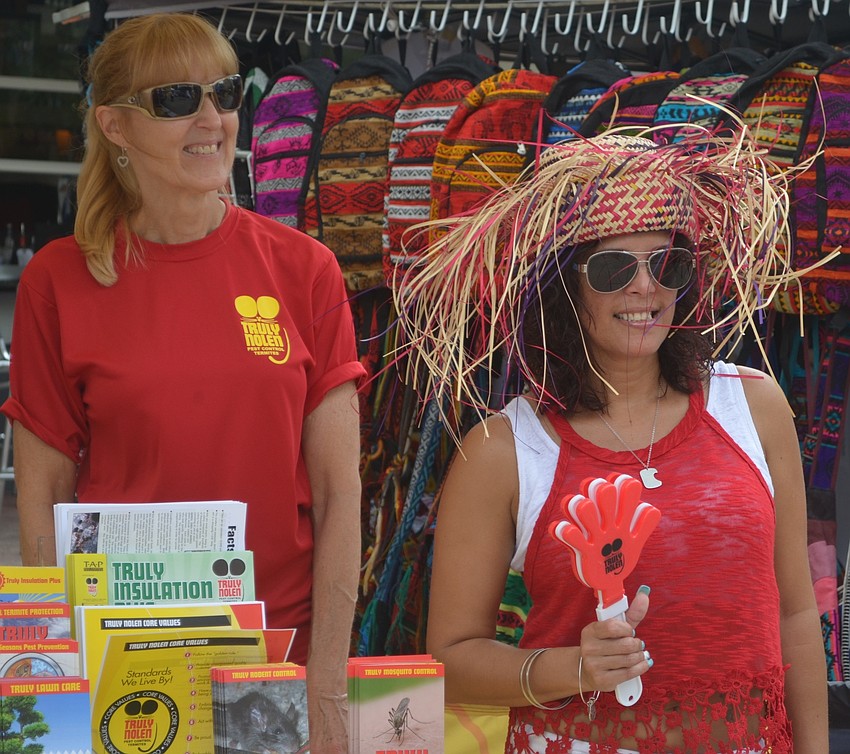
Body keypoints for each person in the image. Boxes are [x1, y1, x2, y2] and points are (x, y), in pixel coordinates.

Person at [390, 129, 829, 753]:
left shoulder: (751, 406)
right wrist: (573, 667)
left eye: (668, 263)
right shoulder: (503, 450)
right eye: (614, 266)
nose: (646, 288)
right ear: (563, 286)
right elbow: (452, 658)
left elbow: (794, 612)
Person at [2, 13, 364, 753]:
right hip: (119, 666)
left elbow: (339, 495)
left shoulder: (305, 270)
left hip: (271, 664)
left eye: (225, 93)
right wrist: (50, 678)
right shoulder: (57, 281)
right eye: (176, 100)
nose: (212, 119)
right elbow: (41, 501)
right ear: (115, 126)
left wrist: (327, 685)